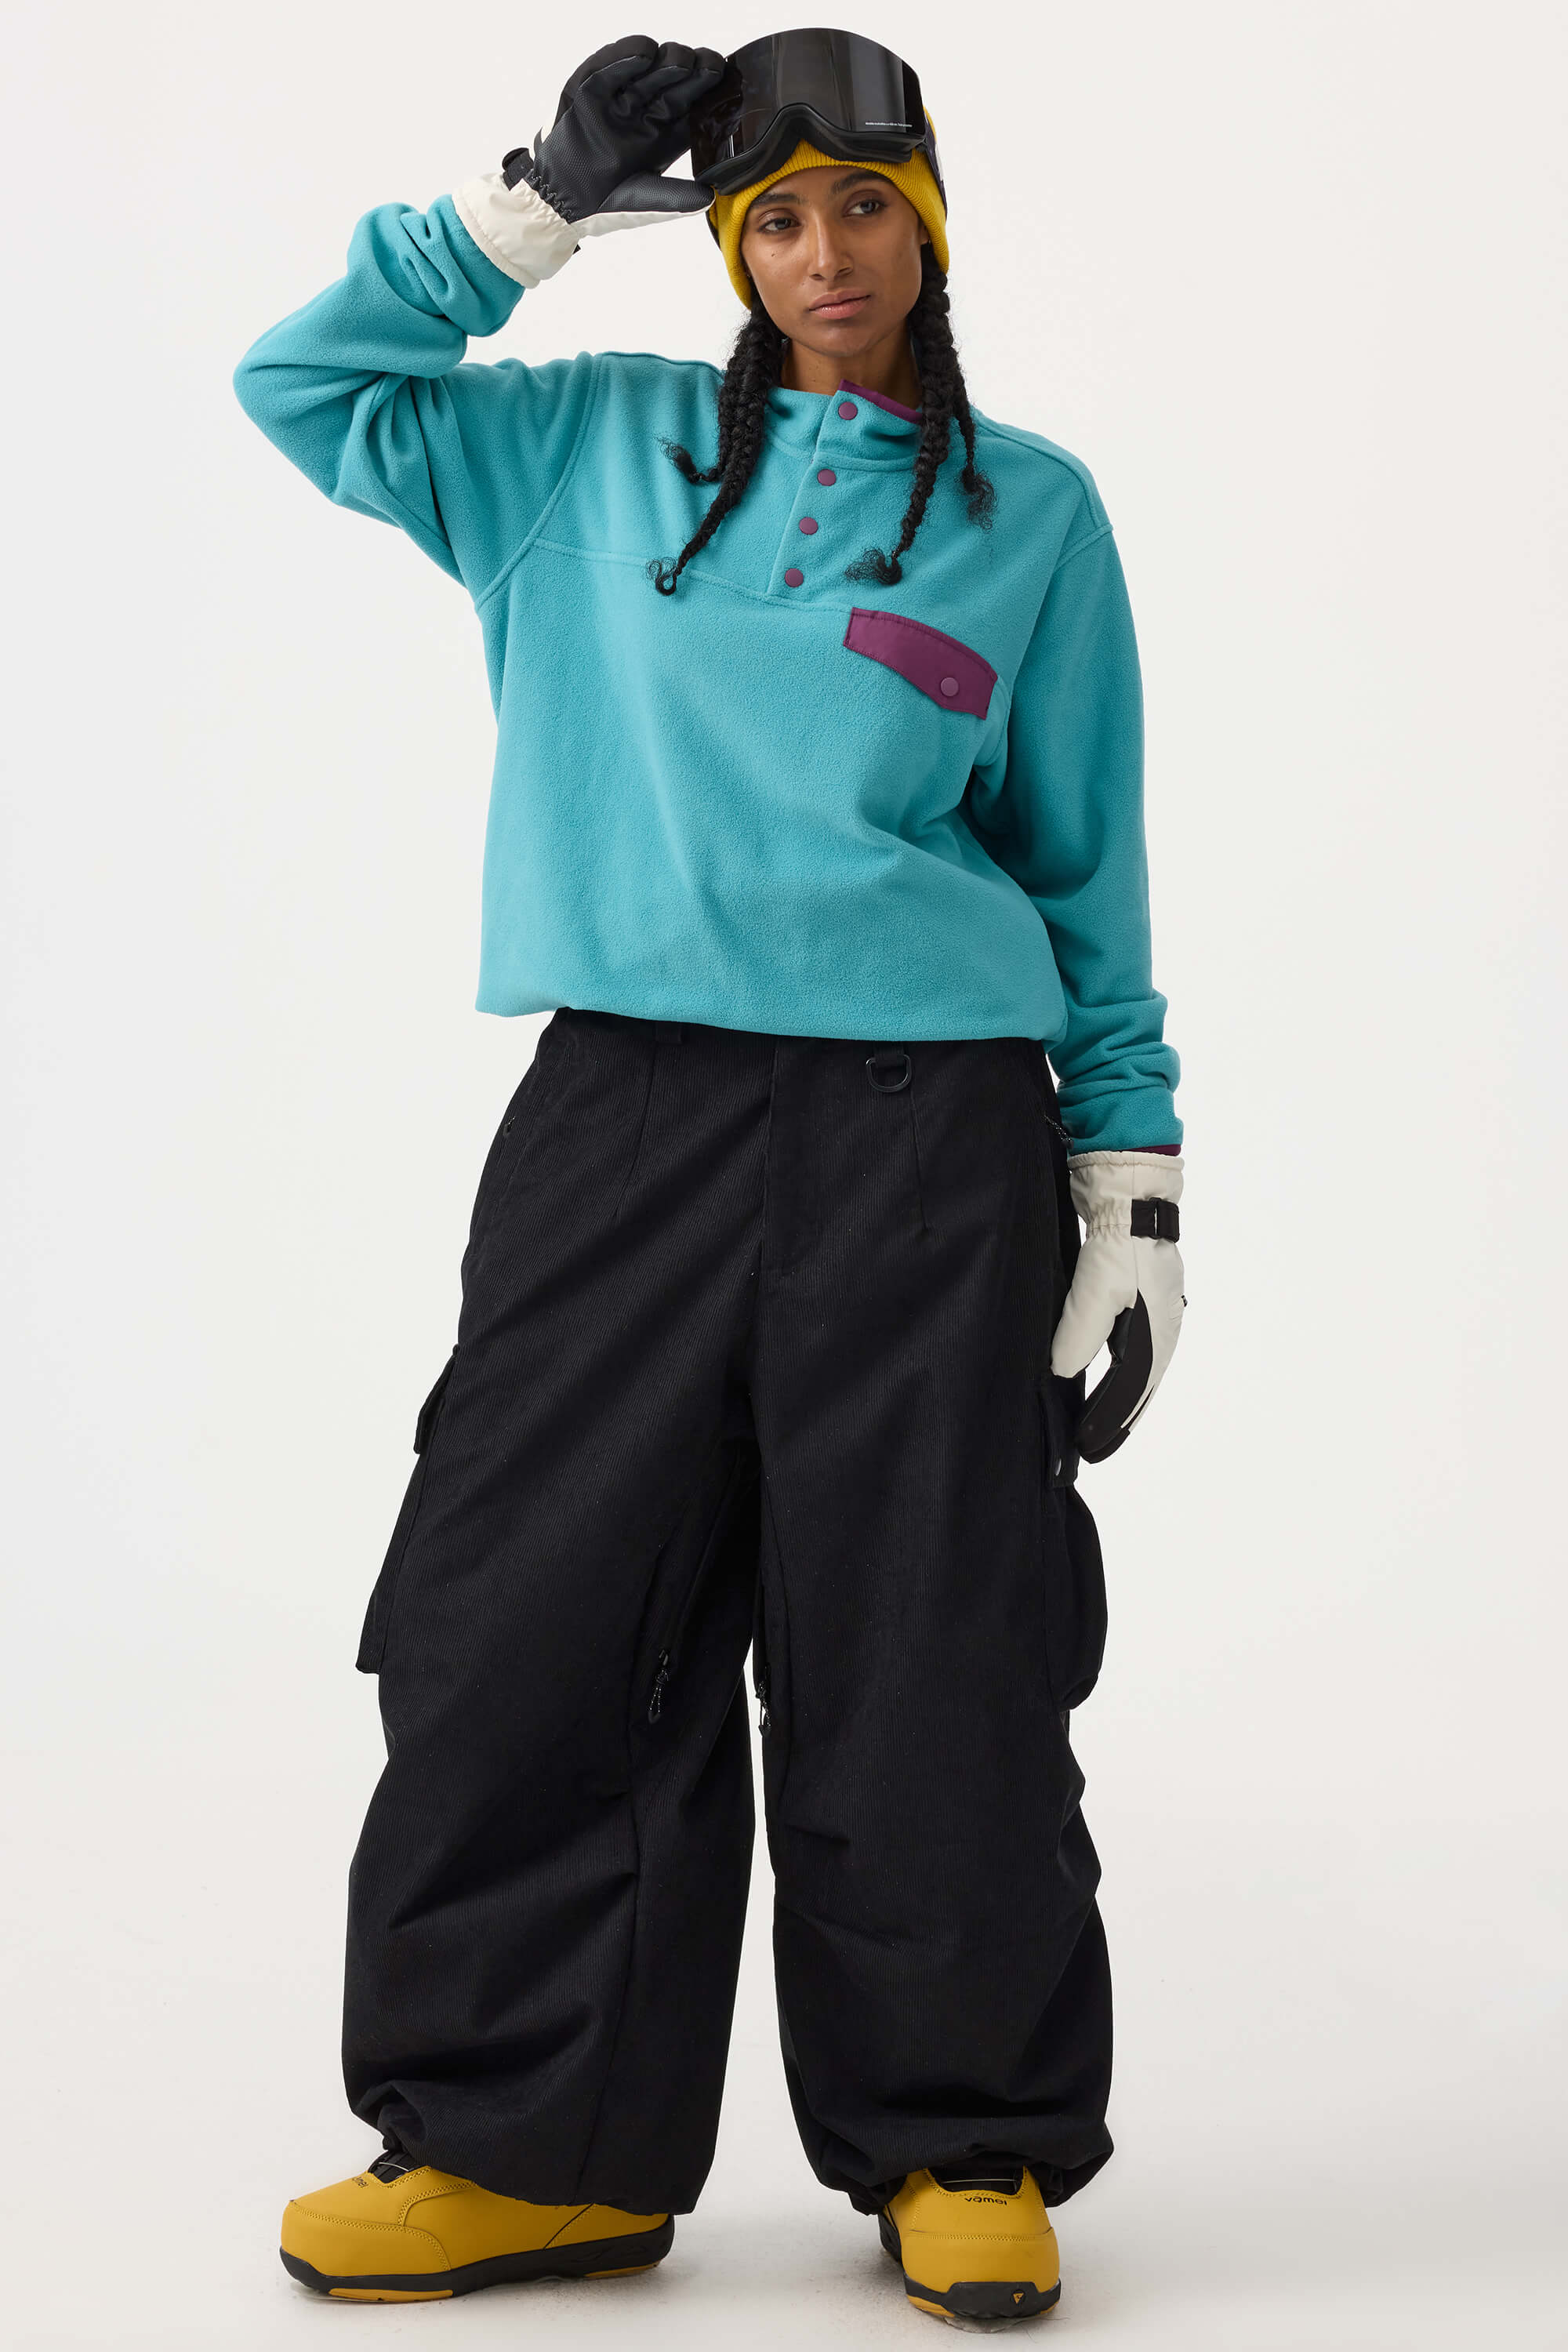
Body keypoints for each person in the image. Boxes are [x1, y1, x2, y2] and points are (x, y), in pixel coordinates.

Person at [234, 27, 1185, 2327]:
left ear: (928, 225)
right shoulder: (583, 448)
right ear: (726, 245)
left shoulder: (1030, 513)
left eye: (866, 209)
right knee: (523, 1620)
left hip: (929, 1129)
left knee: (932, 1636)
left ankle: (962, 2140)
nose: (824, 257)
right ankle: (522, 2146)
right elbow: (306, 381)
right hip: (626, 1114)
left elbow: (1083, 868)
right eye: (776, 219)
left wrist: (1130, 1182)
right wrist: (528, 210)